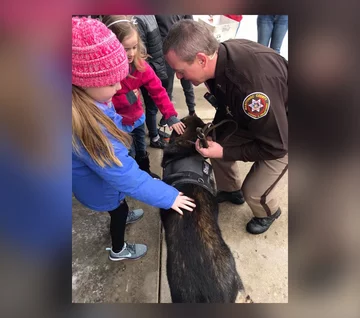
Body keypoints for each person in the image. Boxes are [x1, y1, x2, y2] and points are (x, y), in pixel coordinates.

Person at [72, 17, 195, 261]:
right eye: (110, 82)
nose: (119, 87)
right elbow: (124, 174)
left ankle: (123, 212)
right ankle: (118, 250)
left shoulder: (90, 102)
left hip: (103, 180)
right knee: (118, 209)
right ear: (83, 83)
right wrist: (168, 196)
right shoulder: (91, 129)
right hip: (101, 188)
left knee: (121, 203)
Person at [163, 19, 288, 234]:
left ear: (201, 59)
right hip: (255, 120)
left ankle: (268, 212)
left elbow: (277, 146)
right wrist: (218, 141)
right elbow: (225, 101)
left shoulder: (252, 89)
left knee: (255, 192)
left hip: (284, 130)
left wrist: (226, 151)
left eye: (180, 70)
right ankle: (231, 190)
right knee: (212, 140)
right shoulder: (219, 57)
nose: (179, 77)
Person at [102, 15, 185, 179]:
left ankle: (145, 172)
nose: (131, 53)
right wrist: (127, 98)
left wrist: (170, 115)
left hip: (138, 119)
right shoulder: (104, 72)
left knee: (141, 149)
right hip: (118, 124)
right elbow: (101, 102)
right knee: (128, 152)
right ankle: (132, 178)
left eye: (134, 47)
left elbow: (158, 91)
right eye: (126, 49)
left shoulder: (141, 67)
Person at [134, 15, 169, 149]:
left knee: (155, 105)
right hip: (152, 69)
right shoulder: (138, 19)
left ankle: (154, 132)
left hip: (159, 66)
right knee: (152, 107)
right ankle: (154, 137)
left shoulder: (150, 15)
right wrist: (152, 71)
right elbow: (141, 54)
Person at [155, 15, 196, 116]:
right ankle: (169, 115)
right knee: (168, 86)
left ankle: (192, 111)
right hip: (166, 54)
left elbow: (191, 27)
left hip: (183, 52)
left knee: (187, 84)